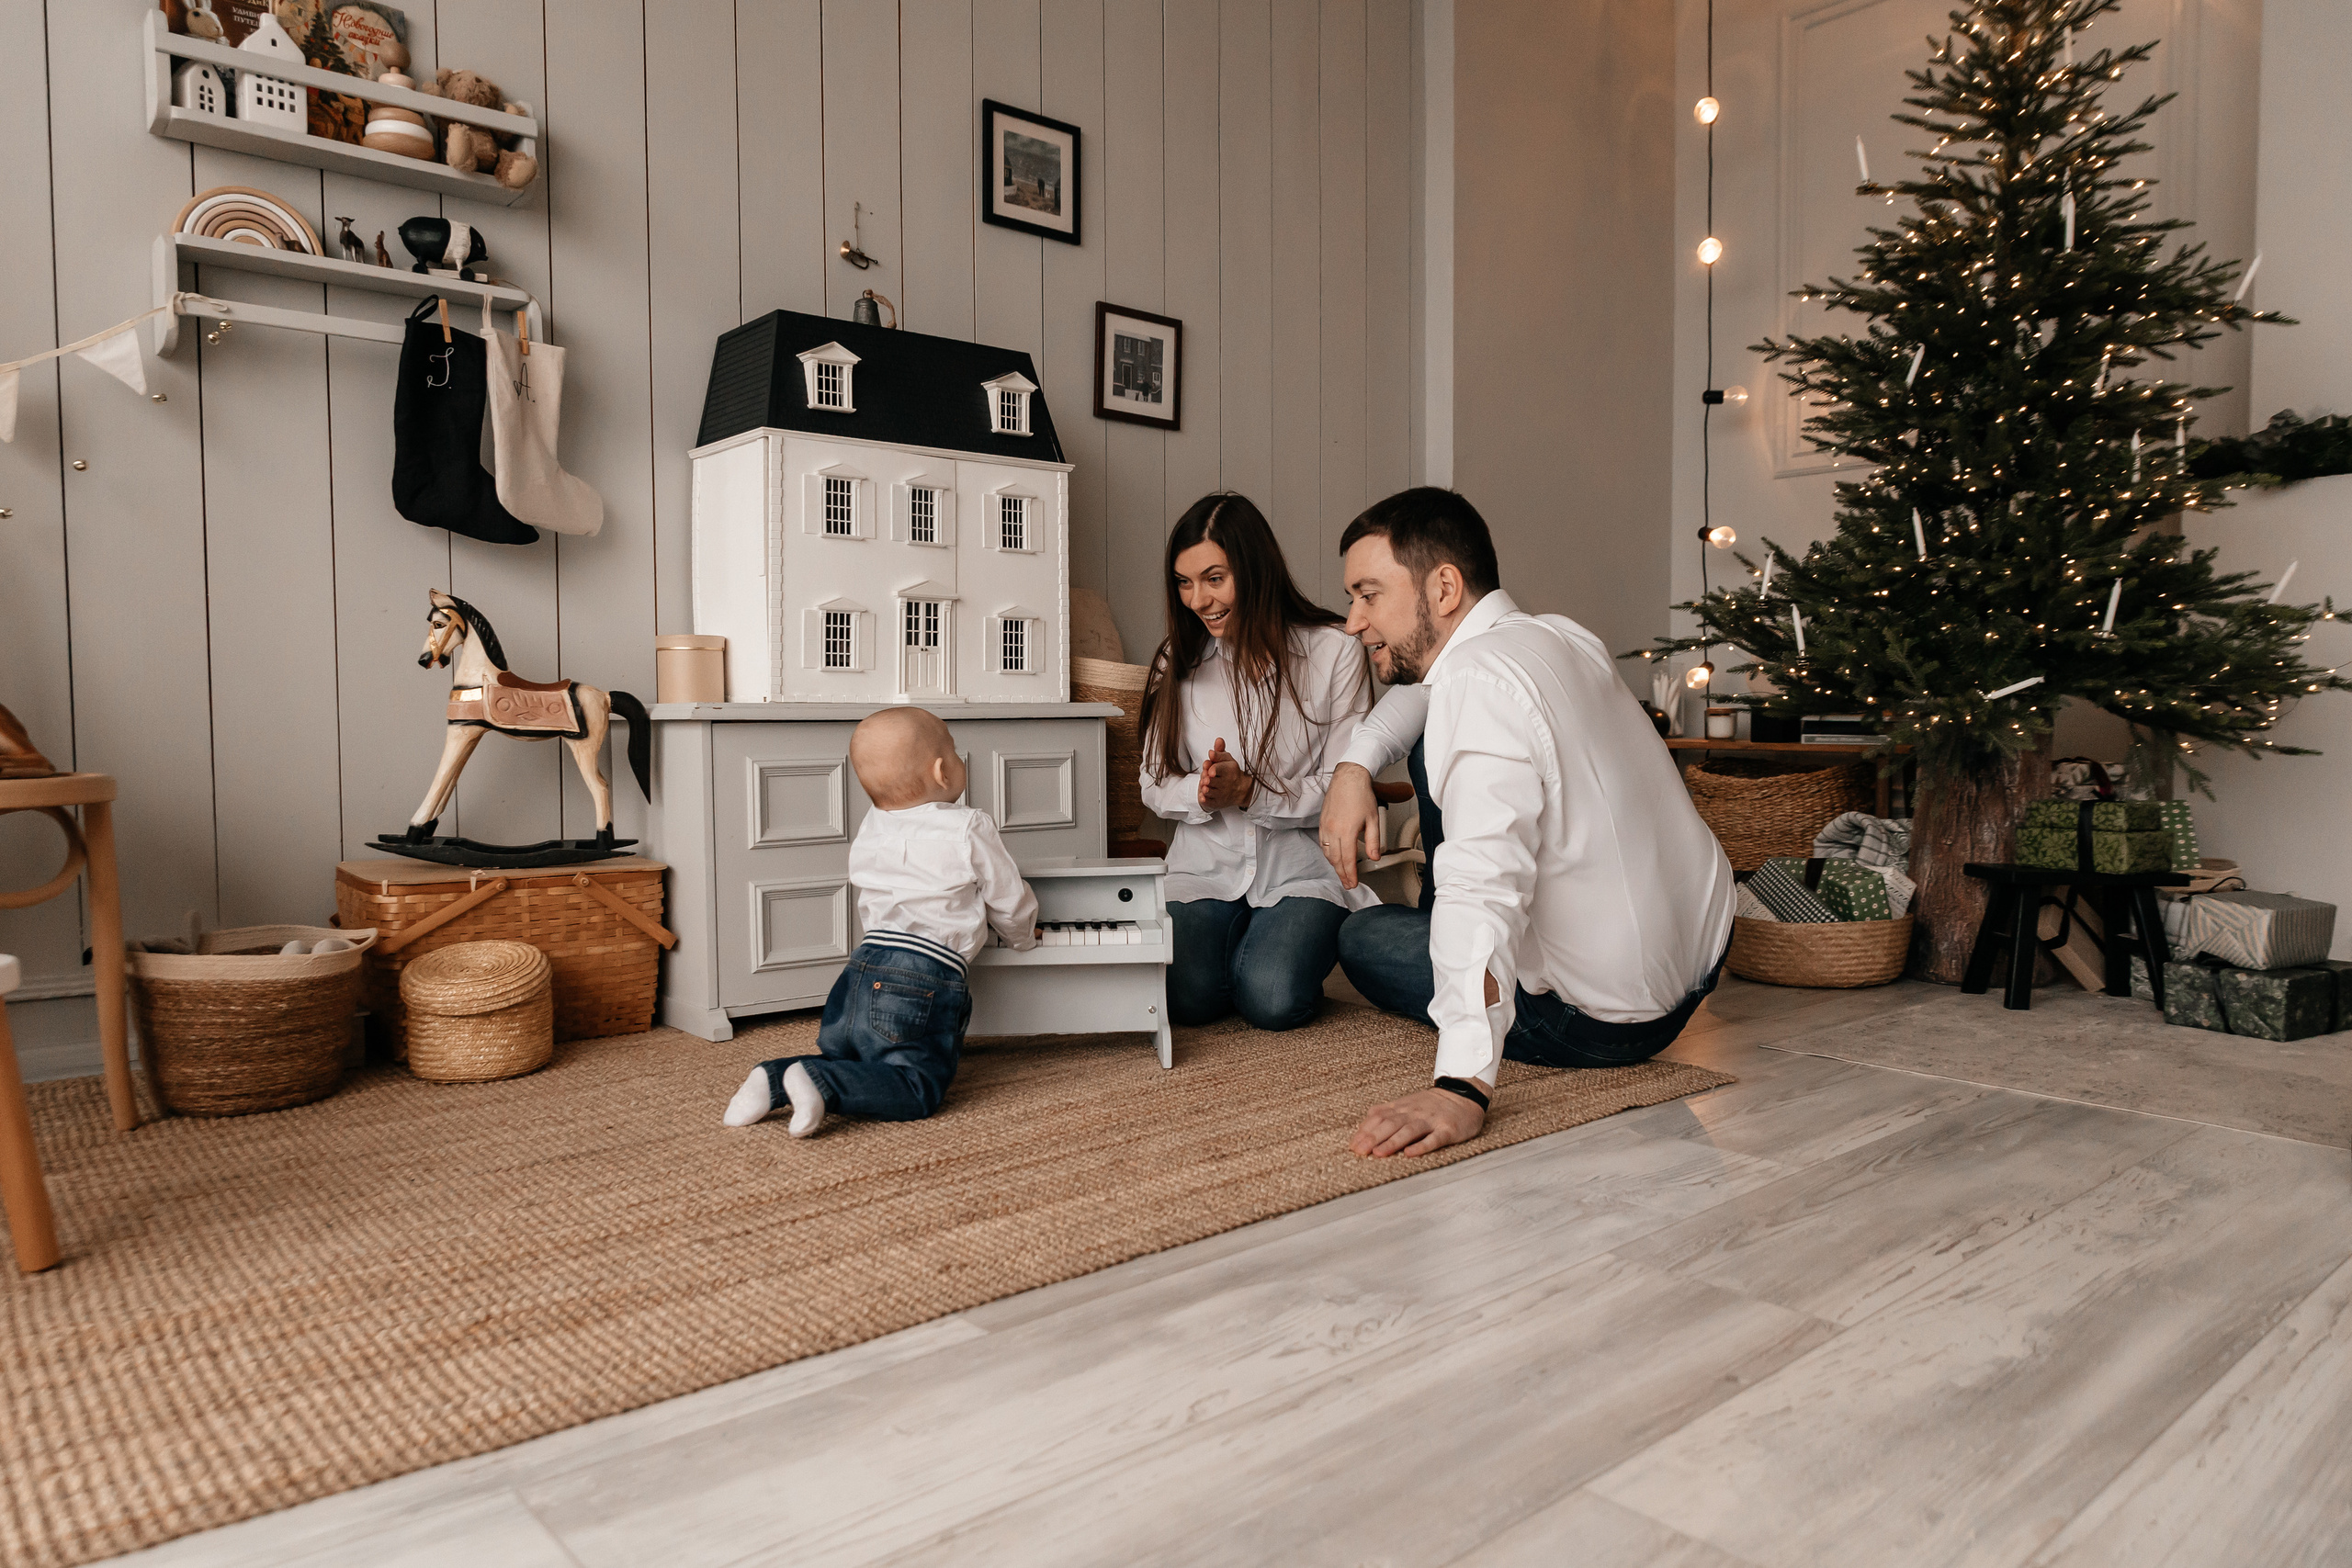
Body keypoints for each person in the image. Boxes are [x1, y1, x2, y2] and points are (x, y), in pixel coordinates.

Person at [1318, 488, 1735, 1158]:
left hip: (1606, 1023)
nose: (1352, 622)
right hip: (1703, 964)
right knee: (1435, 734)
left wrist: (1462, 1085)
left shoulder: (1474, 685)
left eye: (1368, 595)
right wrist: (1354, 766)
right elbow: (1425, 694)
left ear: (1444, 587)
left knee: (1362, 936)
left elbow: (1482, 886)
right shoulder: (1561, 635)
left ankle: (1460, 969)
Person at [723, 706, 1038, 1135]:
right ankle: (820, 1081)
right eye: (954, 752)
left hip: (861, 966)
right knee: (917, 1086)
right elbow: (1008, 897)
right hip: (921, 976)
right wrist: (1023, 937)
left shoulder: (873, 824)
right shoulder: (969, 826)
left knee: (855, 1057)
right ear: (942, 771)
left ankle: (773, 1078)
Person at [1139, 493, 1377, 1031]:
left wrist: (1250, 792)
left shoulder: (1334, 651)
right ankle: (1240, 953)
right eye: (1184, 583)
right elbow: (1153, 782)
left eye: (1214, 578)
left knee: (1272, 999)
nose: (1198, 600)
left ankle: (1269, 954)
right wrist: (1202, 792)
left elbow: (1343, 785)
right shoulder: (1176, 660)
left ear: (1254, 570)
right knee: (1188, 1000)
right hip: (1203, 871)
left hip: (1301, 871)